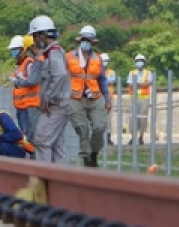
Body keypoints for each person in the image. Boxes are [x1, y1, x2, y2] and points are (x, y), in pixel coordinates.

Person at [66, 25, 110, 167]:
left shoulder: (97, 59)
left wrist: (107, 99)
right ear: (79, 40)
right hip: (75, 97)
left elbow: (102, 80)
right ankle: (86, 157)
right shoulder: (68, 57)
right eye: (83, 39)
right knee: (82, 128)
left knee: (99, 127)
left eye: (88, 40)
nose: (85, 42)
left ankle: (94, 153)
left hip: (95, 97)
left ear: (92, 42)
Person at [29, 15, 71, 163]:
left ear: (42, 34)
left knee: (41, 140)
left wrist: (47, 97)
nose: (34, 40)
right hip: (60, 105)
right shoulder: (53, 52)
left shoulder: (54, 51)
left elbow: (59, 75)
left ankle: (44, 180)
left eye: (35, 36)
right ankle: (62, 181)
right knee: (56, 145)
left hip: (56, 105)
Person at [0, 90, 35, 158]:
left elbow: (17, 134)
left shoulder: (0, 116)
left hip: (23, 150)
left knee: (3, 147)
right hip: (4, 152)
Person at [9, 35, 42, 138]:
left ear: (23, 50)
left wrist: (18, 81)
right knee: (25, 136)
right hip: (22, 106)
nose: (14, 52)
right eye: (12, 50)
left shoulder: (29, 64)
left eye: (16, 50)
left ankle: (33, 154)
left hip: (29, 106)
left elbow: (32, 81)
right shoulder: (21, 65)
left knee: (30, 136)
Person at [127, 53, 154, 144]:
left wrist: (137, 84)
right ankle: (133, 137)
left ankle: (141, 136)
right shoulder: (132, 72)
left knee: (143, 118)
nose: (139, 63)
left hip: (144, 98)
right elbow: (130, 85)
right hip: (133, 98)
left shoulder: (148, 73)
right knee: (132, 118)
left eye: (141, 61)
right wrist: (141, 84)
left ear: (144, 62)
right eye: (138, 61)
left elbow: (148, 83)